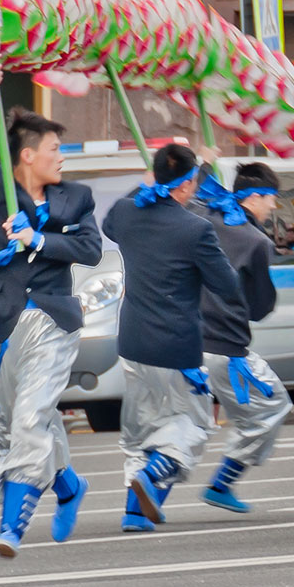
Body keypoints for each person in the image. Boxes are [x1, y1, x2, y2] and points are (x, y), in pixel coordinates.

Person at [0, 64, 103, 555]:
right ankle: (68, 483)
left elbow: (91, 250)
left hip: (53, 321)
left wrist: (41, 239)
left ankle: (12, 526)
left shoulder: (74, 198)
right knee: (23, 419)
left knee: (31, 418)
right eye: (54, 150)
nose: (61, 158)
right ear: (27, 155)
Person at [102, 142, 245, 532]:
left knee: (142, 429)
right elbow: (227, 284)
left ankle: (135, 512)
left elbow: (109, 224)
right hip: (176, 342)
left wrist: (148, 183)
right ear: (185, 186)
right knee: (193, 424)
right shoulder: (195, 229)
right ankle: (157, 471)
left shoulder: (126, 214)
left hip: (132, 339)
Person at [192, 161, 289, 514]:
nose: (273, 207)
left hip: (180, 340)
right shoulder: (255, 241)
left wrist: (204, 160)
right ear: (254, 199)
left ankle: (138, 506)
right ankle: (223, 482)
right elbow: (260, 306)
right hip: (224, 346)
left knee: (181, 426)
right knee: (272, 407)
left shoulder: (201, 217)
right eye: (271, 199)